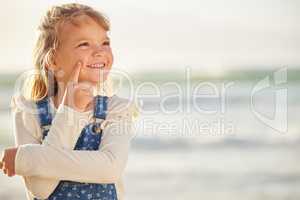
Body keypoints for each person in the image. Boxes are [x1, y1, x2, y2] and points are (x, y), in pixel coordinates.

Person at [0, 3, 138, 200]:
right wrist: (70, 111)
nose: (100, 51)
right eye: (84, 44)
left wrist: (27, 158)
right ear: (53, 61)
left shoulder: (117, 109)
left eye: (105, 43)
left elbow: (109, 168)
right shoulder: (28, 112)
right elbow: (41, 188)